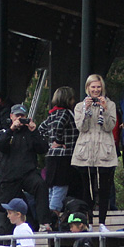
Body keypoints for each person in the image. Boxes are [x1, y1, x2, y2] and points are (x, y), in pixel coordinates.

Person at [72, 74, 118, 229]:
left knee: (104, 188)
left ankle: (103, 222)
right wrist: (86, 109)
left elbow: (110, 126)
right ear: (88, 88)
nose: (96, 90)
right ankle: (89, 221)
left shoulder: (110, 105)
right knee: (87, 189)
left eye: (98, 87)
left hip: (104, 149)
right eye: (93, 87)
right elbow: (81, 127)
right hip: (86, 151)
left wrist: (104, 110)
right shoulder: (79, 106)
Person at [0, 103, 51, 227]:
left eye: (22, 116)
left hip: (28, 174)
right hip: (10, 177)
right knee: (6, 206)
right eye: (17, 116)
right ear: (11, 116)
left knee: (40, 185)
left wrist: (34, 131)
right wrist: (12, 129)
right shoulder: (4, 131)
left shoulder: (30, 132)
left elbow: (43, 148)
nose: (19, 118)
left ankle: (44, 222)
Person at [37, 86, 78, 216]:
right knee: (61, 186)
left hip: (51, 156)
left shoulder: (52, 114)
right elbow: (60, 126)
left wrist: (48, 144)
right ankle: (53, 213)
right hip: (63, 156)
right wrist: (59, 141)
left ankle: (48, 213)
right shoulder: (65, 113)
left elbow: (40, 129)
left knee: (52, 187)